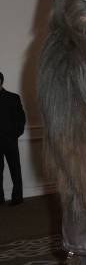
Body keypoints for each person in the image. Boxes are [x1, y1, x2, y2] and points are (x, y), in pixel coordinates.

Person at [0, 71, 26, 206]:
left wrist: (14, 134)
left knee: (15, 169)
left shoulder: (13, 98)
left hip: (10, 140)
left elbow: (21, 119)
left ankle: (17, 197)